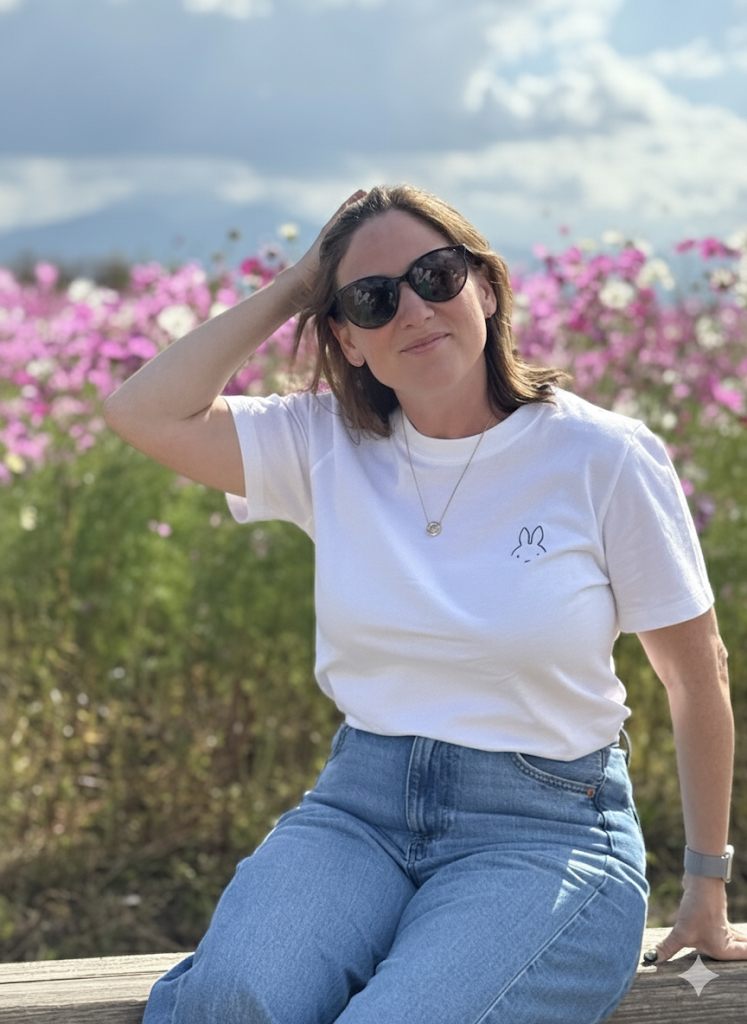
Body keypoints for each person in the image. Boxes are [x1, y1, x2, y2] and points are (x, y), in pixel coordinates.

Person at [103, 185, 747, 1024]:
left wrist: (705, 882)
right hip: (358, 812)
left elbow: (697, 676)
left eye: (435, 275)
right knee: (234, 1001)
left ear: (486, 288)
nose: (412, 308)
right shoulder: (324, 443)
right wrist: (298, 285)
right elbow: (140, 411)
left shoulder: (602, 456)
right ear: (346, 337)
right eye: (371, 299)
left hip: (545, 832)